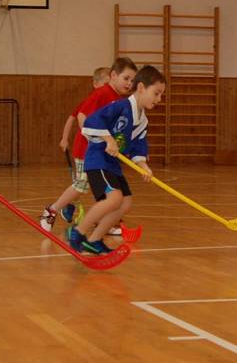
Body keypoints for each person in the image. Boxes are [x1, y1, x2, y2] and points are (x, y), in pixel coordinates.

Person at [67, 65, 165, 255]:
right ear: (142, 88)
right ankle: (77, 232)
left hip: (112, 165)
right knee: (114, 198)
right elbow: (91, 122)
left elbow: (138, 146)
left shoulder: (143, 120)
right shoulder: (120, 107)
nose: (159, 99)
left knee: (125, 203)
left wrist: (143, 166)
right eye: (157, 93)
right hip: (98, 161)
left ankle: (94, 240)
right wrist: (108, 139)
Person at [39, 58, 137, 232]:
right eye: (126, 78)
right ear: (113, 76)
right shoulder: (102, 94)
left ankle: (107, 223)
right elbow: (82, 116)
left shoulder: (118, 99)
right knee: (82, 184)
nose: (129, 84)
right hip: (87, 150)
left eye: (132, 81)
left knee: (108, 189)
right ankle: (51, 210)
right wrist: (98, 139)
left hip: (102, 153)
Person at [59, 67, 110, 153]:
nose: (109, 88)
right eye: (106, 84)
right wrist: (64, 139)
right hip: (84, 148)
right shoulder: (91, 100)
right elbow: (72, 117)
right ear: (95, 84)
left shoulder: (110, 101)